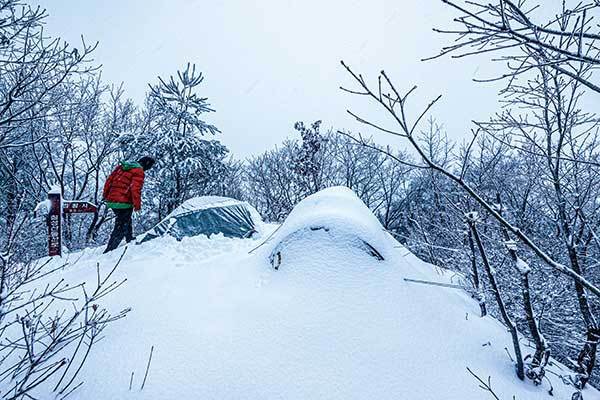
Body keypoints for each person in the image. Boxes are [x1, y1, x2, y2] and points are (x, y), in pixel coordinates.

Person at [102, 156, 155, 253]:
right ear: (146, 164)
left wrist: (105, 195)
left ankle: (129, 238)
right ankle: (110, 250)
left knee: (125, 219)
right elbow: (135, 189)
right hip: (123, 201)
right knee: (121, 225)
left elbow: (109, 181)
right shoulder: (138, 171)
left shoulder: (121, 167)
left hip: (112, 199)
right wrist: (137, 204)